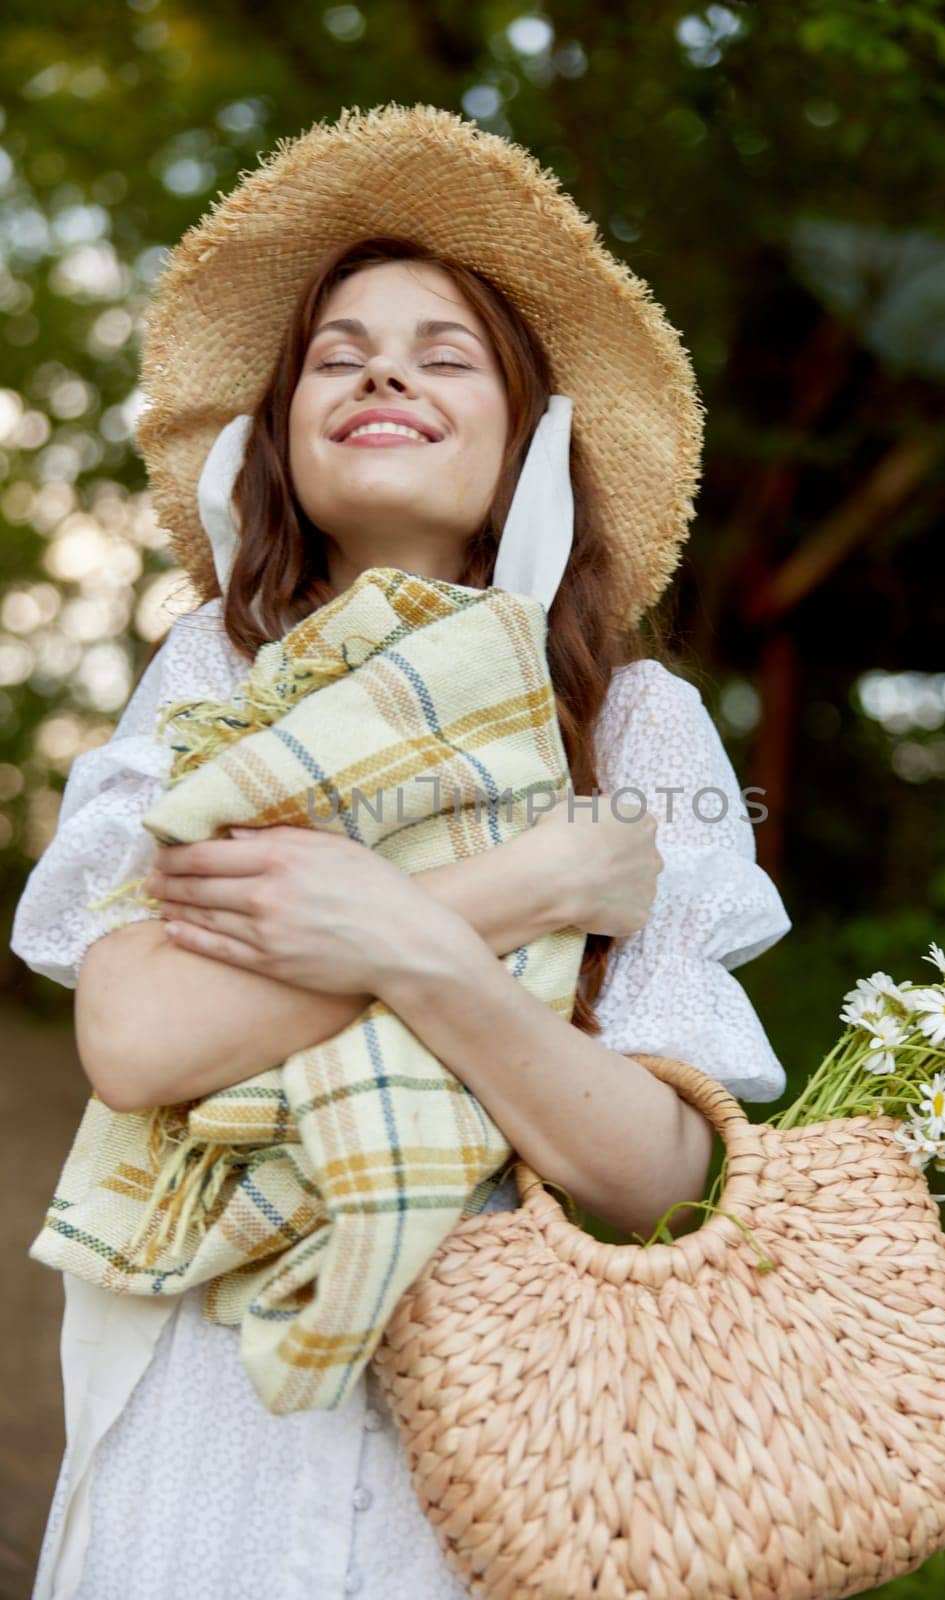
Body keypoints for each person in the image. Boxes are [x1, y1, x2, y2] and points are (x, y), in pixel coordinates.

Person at [11, 104, 792, 1598]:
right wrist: (515, 895)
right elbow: (135, 1032)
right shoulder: (211, 678)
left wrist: (395, 945)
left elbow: (651, 1169)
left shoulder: (634, 726)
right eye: (338, 351)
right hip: (214, 1400)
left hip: (505, 1428)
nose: (382, 371)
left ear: (525, 450)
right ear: (279, 442)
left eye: (448, 356)